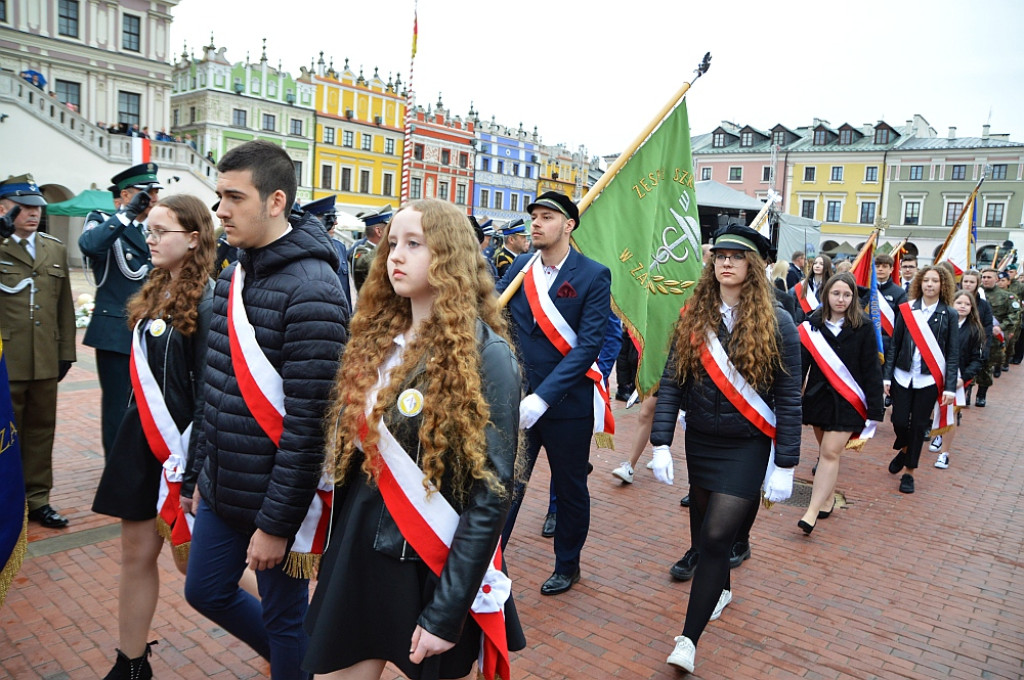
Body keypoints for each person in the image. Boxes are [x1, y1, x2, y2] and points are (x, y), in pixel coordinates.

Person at [303, 198, 525, 680]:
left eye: (414, 244)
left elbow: (491, 496)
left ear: (449, 256)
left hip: (425, 559)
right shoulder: (376, 338)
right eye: (393, 243)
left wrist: (446, 612)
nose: (394, 255)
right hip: (359, 545)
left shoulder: (489, 357)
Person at [181, 140, 349, 680]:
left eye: (234, 197)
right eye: (218, 196)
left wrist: (277, 525)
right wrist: (200, 473)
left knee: (284, 620)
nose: (220, 210)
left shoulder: (315, 290)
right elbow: (217, 388)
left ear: (275, 201)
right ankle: (292, 661)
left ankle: (292, 662)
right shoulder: (235, 274)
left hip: (278, 503)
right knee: (205, 591)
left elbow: (309, 425)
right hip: (224, 485)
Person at [650, 223, 801, 673]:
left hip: (747, 445)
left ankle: (689, 640)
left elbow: (789, 396)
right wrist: (661, 442)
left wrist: (786, 464)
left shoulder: (779, 321)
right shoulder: (695, 313)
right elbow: (673, 378)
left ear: (753, 265)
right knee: (703, 532)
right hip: (700, 441)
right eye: (720, 256)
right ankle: (722, 587)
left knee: (716, 537)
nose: (726, 262)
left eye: (736, 256)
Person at [92, 194, 216, 680]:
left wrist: (199, 468)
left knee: (200, 569)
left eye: (161, 230)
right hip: (140, 440)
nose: (150, 237)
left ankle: (287, 635)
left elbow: (210, 390)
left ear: (192, 238)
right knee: (135, 554)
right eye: (150, 229)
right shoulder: (154, 286)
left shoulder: (212, 298)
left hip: (183, 450)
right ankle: (131, 662)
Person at [497, 191, 612, 596]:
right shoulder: (519, 270)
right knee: (506, 484)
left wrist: (543, 397)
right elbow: (496, 315)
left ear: (569, 225)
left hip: (566, 405)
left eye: (547, 217)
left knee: (569, 489)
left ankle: (568, 564)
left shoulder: (593, 275)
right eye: (534, 217)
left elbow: (586, 347)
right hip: (518, 400)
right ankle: (490, 560)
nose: (536, 223)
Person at [0, 174, 76, 528]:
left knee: (41, 430)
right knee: (5, 432)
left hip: (44, 358)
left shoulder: (53, 247)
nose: (34, 213)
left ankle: (38, 499)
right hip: (6, 361)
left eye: (37, 208)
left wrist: (66, 352)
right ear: (4, 207)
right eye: (25, 207)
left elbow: (64, 307)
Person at [79, 163, 161, 457]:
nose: (151, 198)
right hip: (116, 333)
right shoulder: (103, 220)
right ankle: (117, 474)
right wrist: (126, 214)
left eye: (154, 192)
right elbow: (90, 246)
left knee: (148, 403)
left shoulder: (154, 230)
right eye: (144, 192)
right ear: (124, 195)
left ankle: (141, 466)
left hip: (153, 331)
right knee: (118, 407)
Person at [796, 272, 883, 534]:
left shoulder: (864, 326)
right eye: (836, 293)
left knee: (830, 453)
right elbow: (801, 367)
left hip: (850, 401)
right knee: (826, 452)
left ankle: (811, 511)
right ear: (827, 295)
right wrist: (791, 399)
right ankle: (829, 497)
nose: (841, 299)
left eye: (847, 294)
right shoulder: (811, 325)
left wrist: (876, 408)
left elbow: (871, 369)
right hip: (819, 399)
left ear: (853, 298)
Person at [884, 265, 958, 495]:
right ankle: (905, 449)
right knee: (898, 421)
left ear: (942, 285)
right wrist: (886, 376)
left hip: (928, 380)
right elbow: (895, 344)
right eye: (926, 280)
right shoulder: (906, 310)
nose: (930, 284)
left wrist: (950, 388)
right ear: (919, 283)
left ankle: (909, 472)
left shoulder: (950, 314)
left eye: (935, 281)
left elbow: (953, 352)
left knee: (918, 426)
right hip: (902, 376)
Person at [931, 290, 985, 470]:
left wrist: (964, 378)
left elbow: (978, 359)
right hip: (935, 374)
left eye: (967, 304)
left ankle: (944, 453)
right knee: (933, 410)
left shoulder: (975, 330)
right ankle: (938, 433)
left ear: (972, 308)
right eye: (959, 302)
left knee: (950, 413)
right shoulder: (941, 323)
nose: (962, 306)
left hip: (958, 378)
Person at [303, 195, 353, 313]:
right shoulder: (303, 248)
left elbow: (346, 293)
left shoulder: (340, 247)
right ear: (315, 220)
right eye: (331, 217)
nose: (335, 222)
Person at [350, 205, 391, 296]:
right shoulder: (361, 252)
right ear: (379, 232)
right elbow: (365, 264)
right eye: (389, 228)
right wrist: (385, 243)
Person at [792, 253, 833, 320]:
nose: (817, 266)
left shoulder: (831, 286)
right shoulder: (802, 285)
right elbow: (794, 307)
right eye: (815, 263)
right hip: (801, 324)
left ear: (827, 267)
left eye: (821, 264)